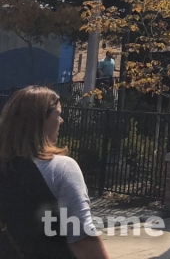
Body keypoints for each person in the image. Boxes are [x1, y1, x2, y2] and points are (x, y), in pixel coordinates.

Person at [0, 86, 109, 259]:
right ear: (39, 120)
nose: (62, 120)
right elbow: (82, 239)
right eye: (58, 114)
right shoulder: (60, 168)